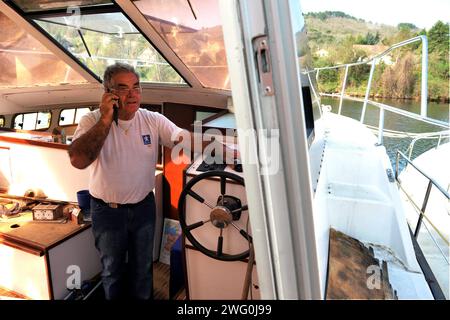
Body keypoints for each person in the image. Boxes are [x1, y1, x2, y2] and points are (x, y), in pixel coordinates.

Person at [68, 62, 236, 300]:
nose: (133, 93)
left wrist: (224, 148)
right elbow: (78, 159)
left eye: (136, 86)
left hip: (143, 208)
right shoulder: (91, 120)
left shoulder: (151, 119)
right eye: (123, 88)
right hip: (107, 211)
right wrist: (105, 120)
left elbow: (185, 139)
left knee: (142, 271)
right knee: (112, 271)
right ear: (109, 94)